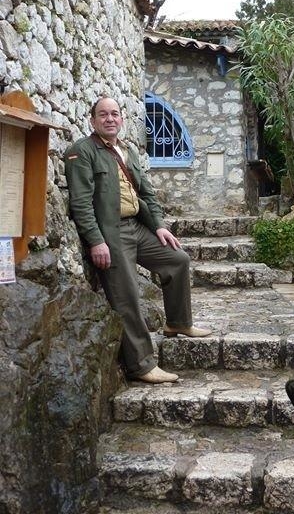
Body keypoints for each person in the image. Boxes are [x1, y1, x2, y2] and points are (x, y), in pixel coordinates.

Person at [64, 96, 210, 384]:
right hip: (111, 232)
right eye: (103, 114)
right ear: (92, 120)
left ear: (121, 119)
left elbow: (146, 193)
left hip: (137, 226)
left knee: (177, 260)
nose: (109, 119)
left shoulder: (127, 150)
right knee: (127, 294)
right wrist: (96, 241)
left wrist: (159, 226)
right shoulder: (82, 152)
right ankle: (141, 365)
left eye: (114, 114)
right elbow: (80, 203)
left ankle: (178, 323)